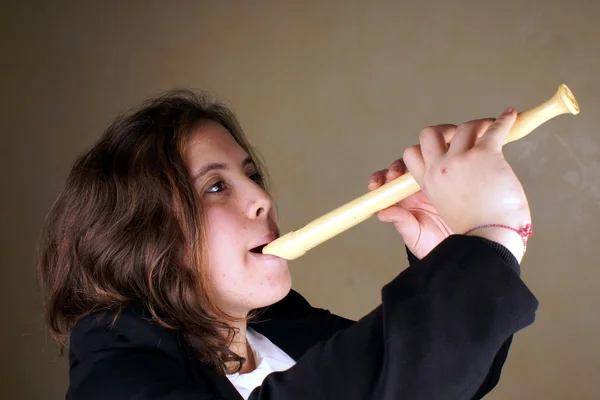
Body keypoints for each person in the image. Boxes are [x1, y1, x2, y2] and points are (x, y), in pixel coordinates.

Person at [35, 89, 538, 400]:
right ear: (140, 237)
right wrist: (486, 244)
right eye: (215, 187)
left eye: (250, 174)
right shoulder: (113, 369)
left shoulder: (283, 328)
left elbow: (432, 382)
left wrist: (445, 255)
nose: (260, 197)